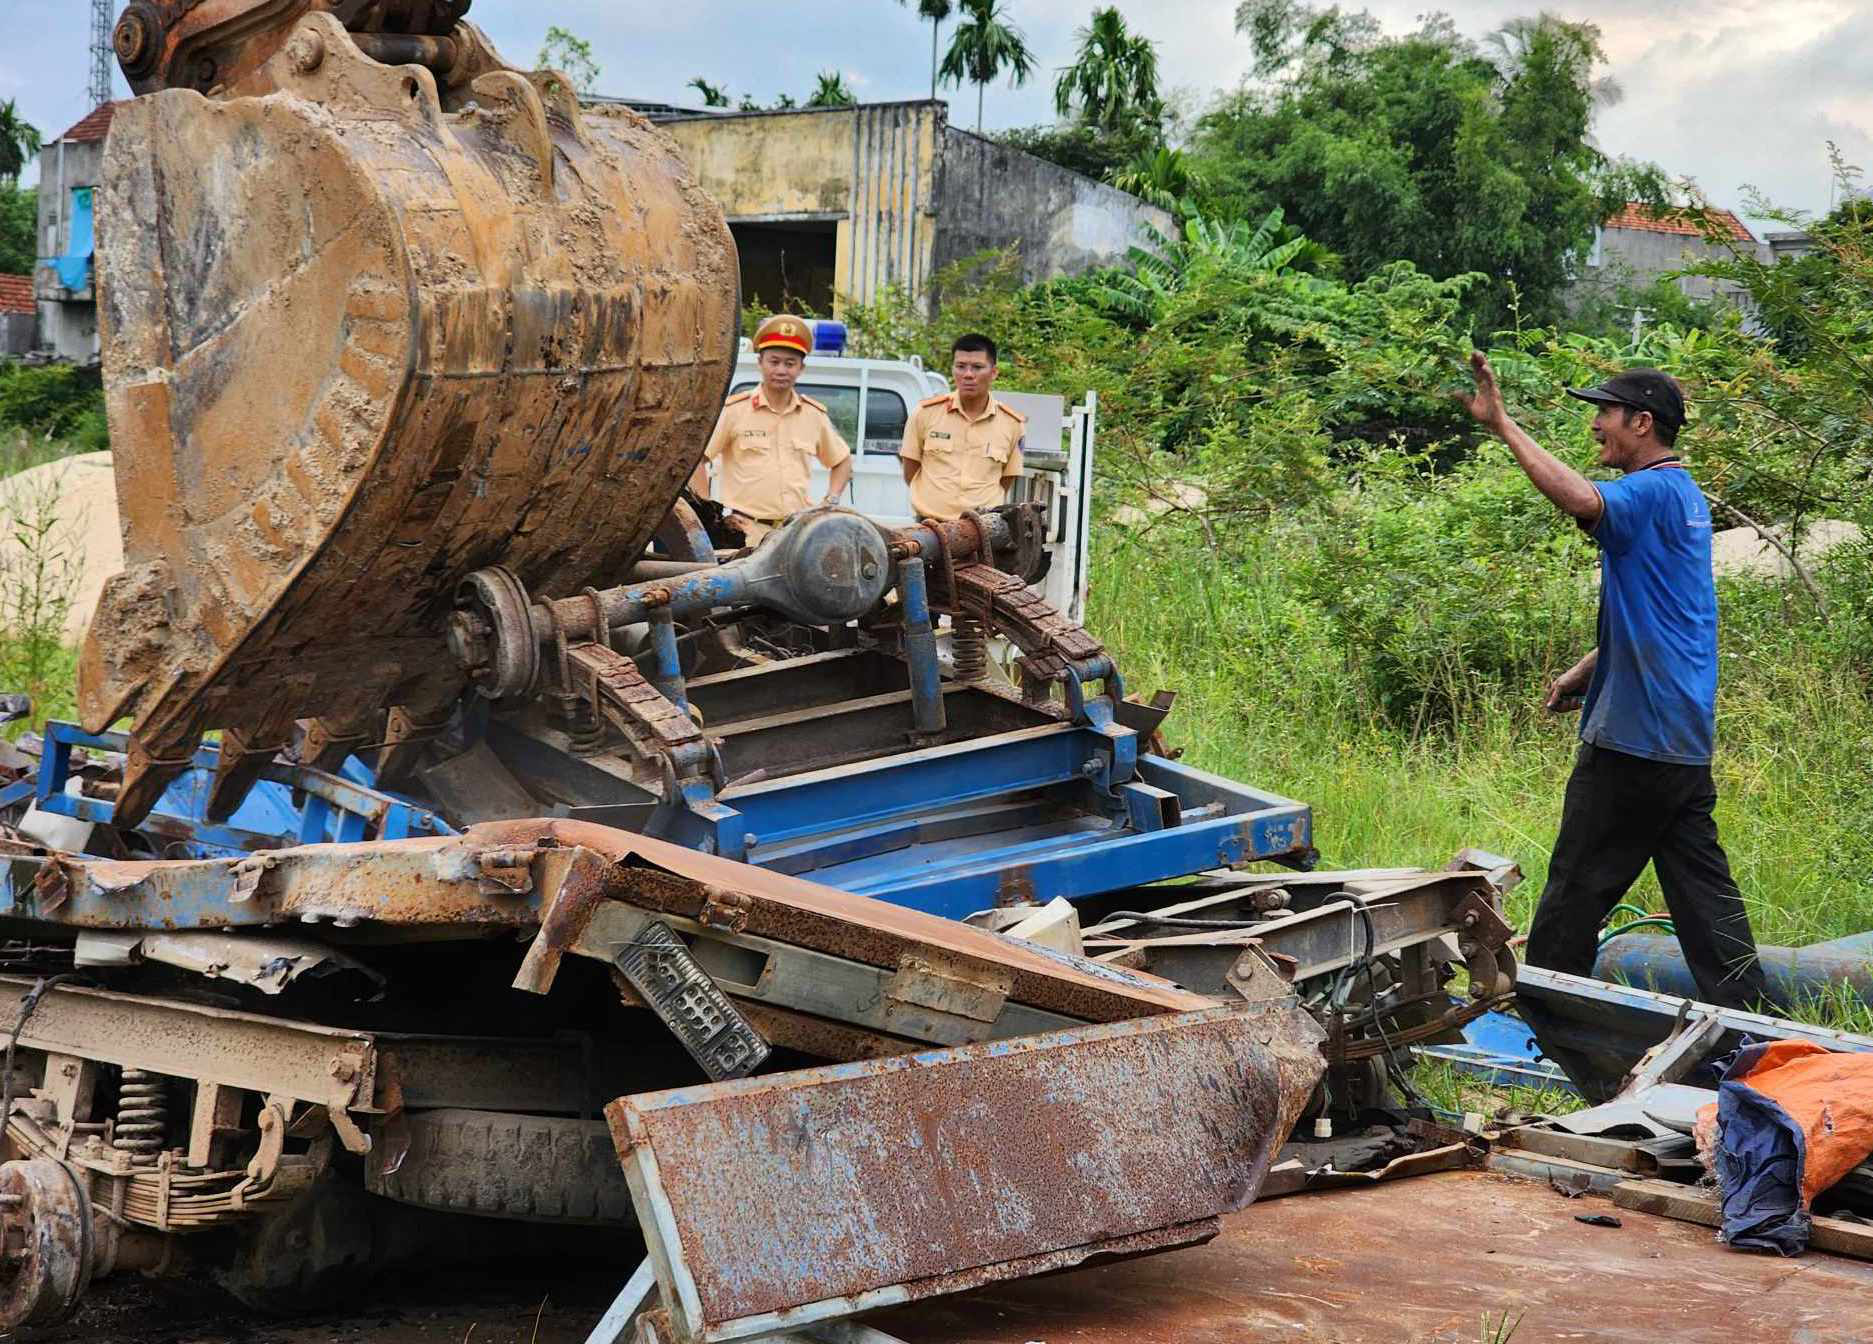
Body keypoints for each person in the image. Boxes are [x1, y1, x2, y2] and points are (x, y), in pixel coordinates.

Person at [1460, 352, 1774, 1012]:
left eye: (1602, 413)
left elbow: (1579, 496)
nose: (1594, 425)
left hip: (1633, 740)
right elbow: (1670, 611)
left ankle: (1550, 1027)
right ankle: (1752, 1023)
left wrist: (1502, 424)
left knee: (1571, 900)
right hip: (1681, 739)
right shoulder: (1683, 497)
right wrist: (1592, 663)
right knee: (1704, 904)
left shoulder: (1648, 492)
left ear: (1640, 422)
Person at [692, 314, 851, 543]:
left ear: (801, 368)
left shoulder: (812, 415)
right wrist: (708, 513)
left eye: (790, 363)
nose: (781, 370)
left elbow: (842, 461)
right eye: (774, 361)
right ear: (760, 363)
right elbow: (699, 459)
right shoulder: (735, 411)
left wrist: (830, 502)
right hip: (743, 534)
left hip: (793, 535)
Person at [899, 333, 1026, 521]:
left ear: (994, 372)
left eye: (977, 367)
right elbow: (910, 470)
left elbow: (1006, 479)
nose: (968, 374)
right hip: (929, 527)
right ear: (953, 370)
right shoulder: (925, 413)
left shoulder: (1012, 424)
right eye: (961, 367)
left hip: (984, 531)